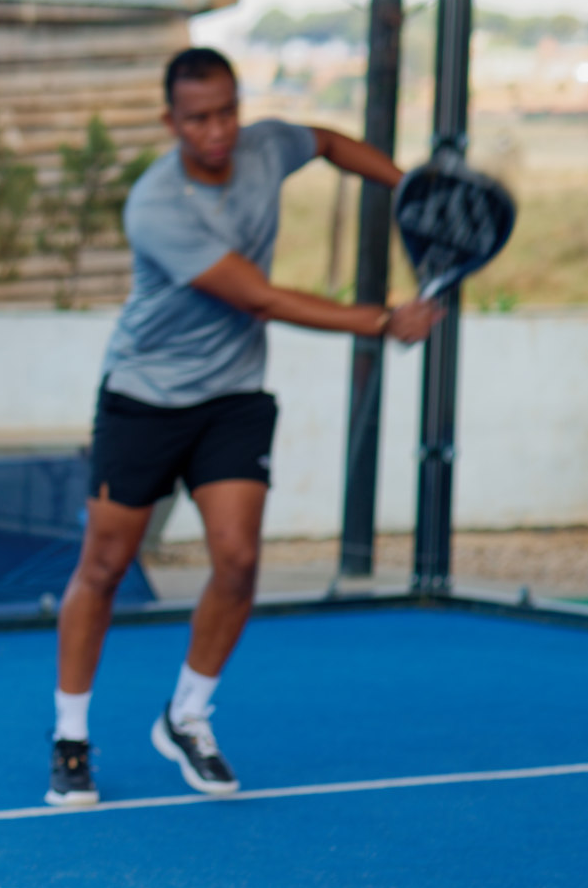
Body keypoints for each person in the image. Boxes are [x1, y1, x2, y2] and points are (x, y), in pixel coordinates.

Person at [46, 46, 442, 808]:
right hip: (144, 398)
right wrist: (383, 320)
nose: (218, 129)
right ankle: (70, 735)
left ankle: (188, 716)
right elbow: (258, 297)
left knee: (237, 558)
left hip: (232, 399)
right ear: (171, 122)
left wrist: (407, 187)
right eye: (199, 118)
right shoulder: (156, 205)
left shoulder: (265, 147)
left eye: (227, 110)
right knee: (105, 565)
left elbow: (328, 143)